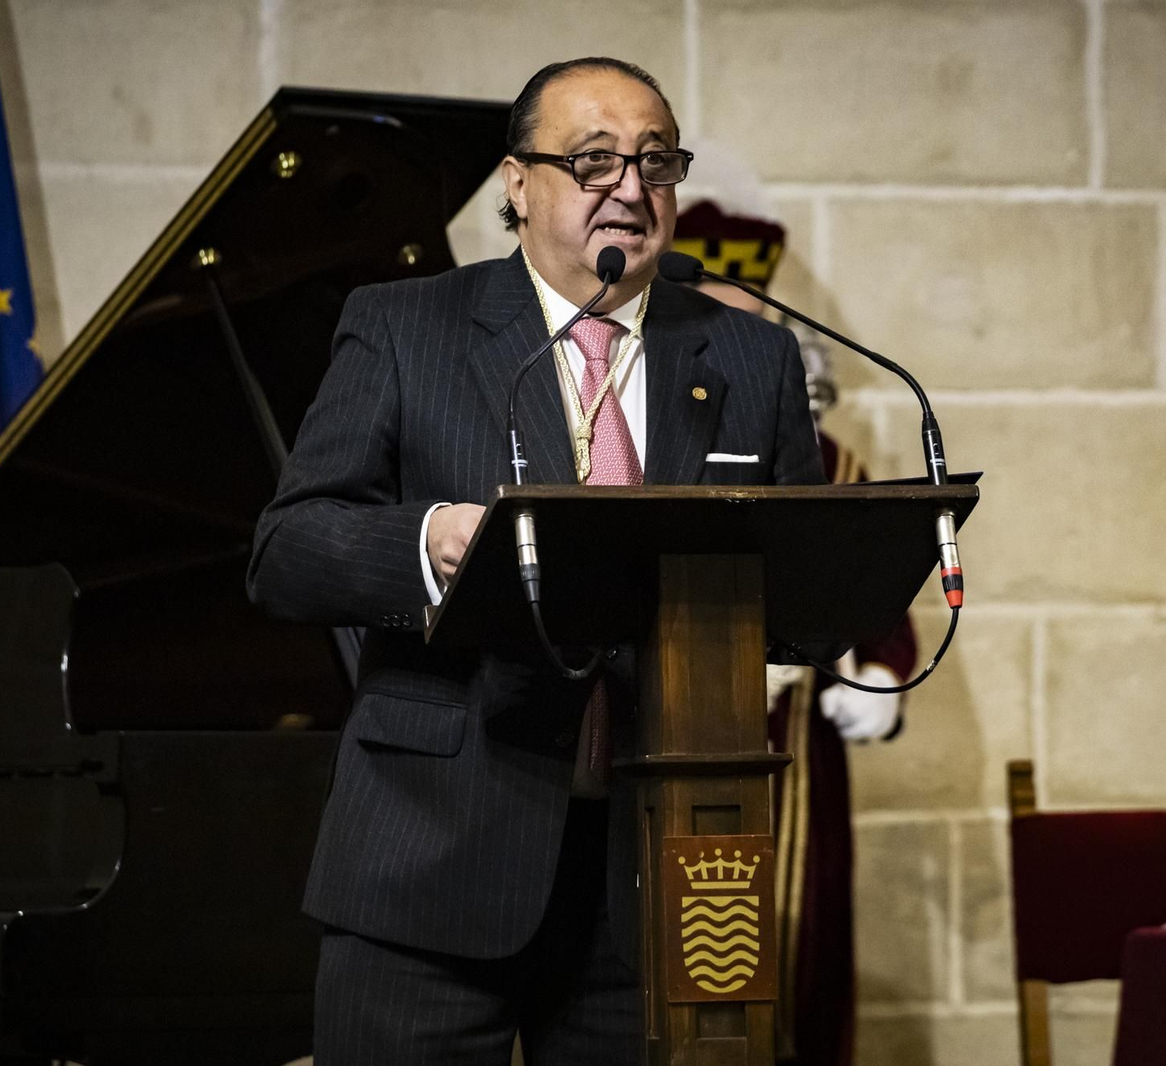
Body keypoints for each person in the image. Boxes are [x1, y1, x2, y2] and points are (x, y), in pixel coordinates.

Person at [246, 57, 822, 1064]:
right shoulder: (407, 327)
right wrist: (428, 540)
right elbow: (287, 551)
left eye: (655, 162)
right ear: (518, 183)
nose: (631, 191)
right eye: (593, 161)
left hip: (655, 873)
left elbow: (804, 581)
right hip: (430, 862)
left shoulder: (747, 355)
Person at [673, 197, 919, 1066]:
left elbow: (882, 602)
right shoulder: (646, 446)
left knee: (799, 950)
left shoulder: (835, 463)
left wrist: (884, 677)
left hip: (798, 750)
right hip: (676, 731)